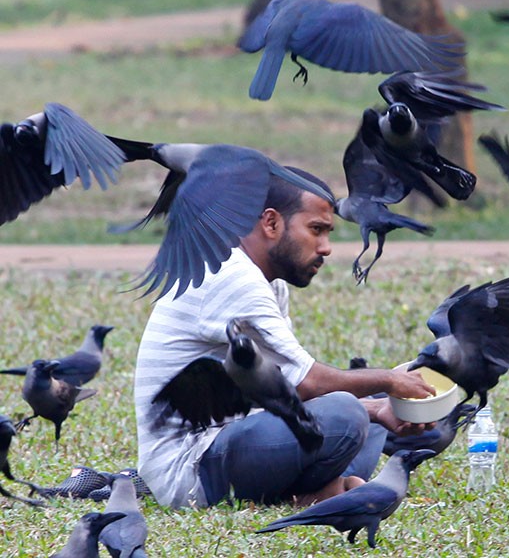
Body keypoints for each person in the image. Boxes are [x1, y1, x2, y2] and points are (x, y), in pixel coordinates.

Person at [134, 168, 435, 509]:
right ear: (271, 223)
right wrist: (390, 382)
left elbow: (283, 393)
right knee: (347, 411)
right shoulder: (229, 275)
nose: (326, 248)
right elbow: (307, 384)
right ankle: (319, 491)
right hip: (190, 469)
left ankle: (319, 491)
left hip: (242, 436)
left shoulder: (267, 281)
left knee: (371, 402)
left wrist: (381, 406)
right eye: (316, 230)